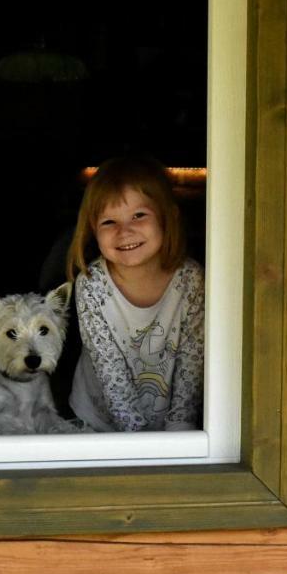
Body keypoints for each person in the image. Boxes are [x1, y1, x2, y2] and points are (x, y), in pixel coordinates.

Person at [65, 155, 203, 432]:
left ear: (167, 216)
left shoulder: (190, 280)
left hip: (168, 417)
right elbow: (110, 373)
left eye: (139, 215)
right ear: (92, 230)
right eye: (108, 222)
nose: (125, 231)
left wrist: (180, 429)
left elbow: (192, 362)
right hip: (99, 418)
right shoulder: (93, 286)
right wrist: (137, 442)